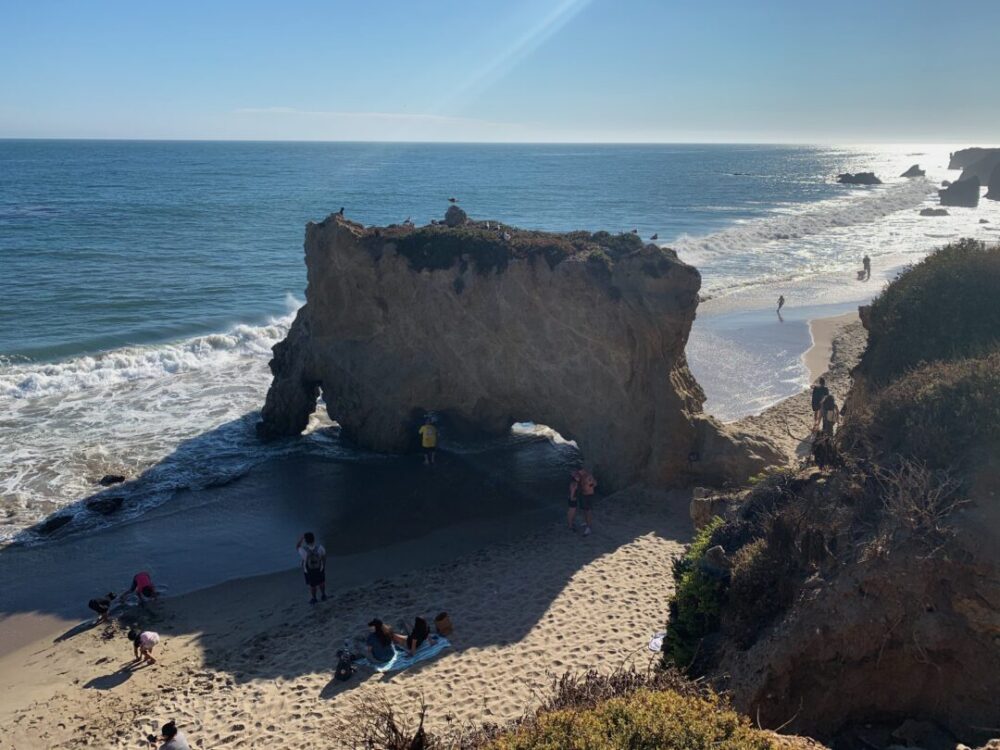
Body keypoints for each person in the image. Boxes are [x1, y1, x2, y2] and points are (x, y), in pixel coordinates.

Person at [296, 532, 327, 604]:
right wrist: (323, 566)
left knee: (312, 585)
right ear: (314, 539)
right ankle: (323, 595)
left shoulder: (303, 550)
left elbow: (297, 547)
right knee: (321, 582)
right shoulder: (320, 547)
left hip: (309, 571)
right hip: (319, 568)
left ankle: (314, 598)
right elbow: (324, 557)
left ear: (306, 541)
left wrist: (301, 539)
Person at [568, 467, 597, 536]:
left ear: (584, 470)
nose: (580, 472)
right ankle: (586, 522)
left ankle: (588, 527)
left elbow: (594, 483)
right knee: (584, 510)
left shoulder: (588, 476)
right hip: (583, 496)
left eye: (581, 471)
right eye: (579, 471)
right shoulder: (580, 477)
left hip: (588, 496)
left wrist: (590, 485)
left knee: (588, 511)